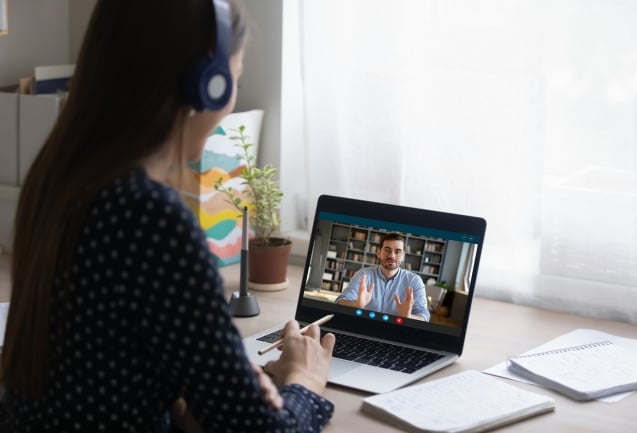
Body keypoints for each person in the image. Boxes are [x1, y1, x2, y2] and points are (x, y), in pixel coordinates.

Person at [0, 1, 336, 432]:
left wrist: (207, 390)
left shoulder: (57, 180)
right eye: (235, 76)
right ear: (206, 86)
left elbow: (105, 363)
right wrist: (304, 381)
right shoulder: (151, 217)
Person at [335, 233, 430, 321]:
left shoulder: (415, 281)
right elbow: (340, 302)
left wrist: (408, 317)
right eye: (387, 250)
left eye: (397, 252)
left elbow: (424, 316)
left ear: (403, 256)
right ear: (379, 253)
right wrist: (357, 304)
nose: (392, 256)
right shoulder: (363, 275)